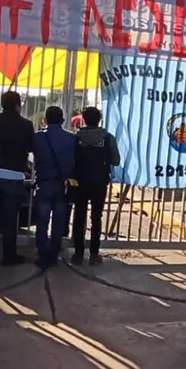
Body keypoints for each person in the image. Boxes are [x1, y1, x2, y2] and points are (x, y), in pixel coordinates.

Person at [0, 91, 35, 266]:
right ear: (18, 105)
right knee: (10, 220)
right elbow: (31, 147)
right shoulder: (26, 125)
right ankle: (9, 256)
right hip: (14, 176)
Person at [72, 107, 120, 266]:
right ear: (99, 120)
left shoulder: (76, 138)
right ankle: (94, 254)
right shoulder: (108, 138)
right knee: (96, 217)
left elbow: (71, 159)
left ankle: (78, 254)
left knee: (79, 216)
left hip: (80, 182)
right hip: (99, 182)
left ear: (84, 119)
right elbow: (116, 161)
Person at [31, 106, 76, 269]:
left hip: (44, 183)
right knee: (58, 221)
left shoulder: (37, 138)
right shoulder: (71, 139)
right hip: (62, 185)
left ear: (45, 120)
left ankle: (42, 253)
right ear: (62, 120)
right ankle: (54, 253)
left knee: (42, 221)